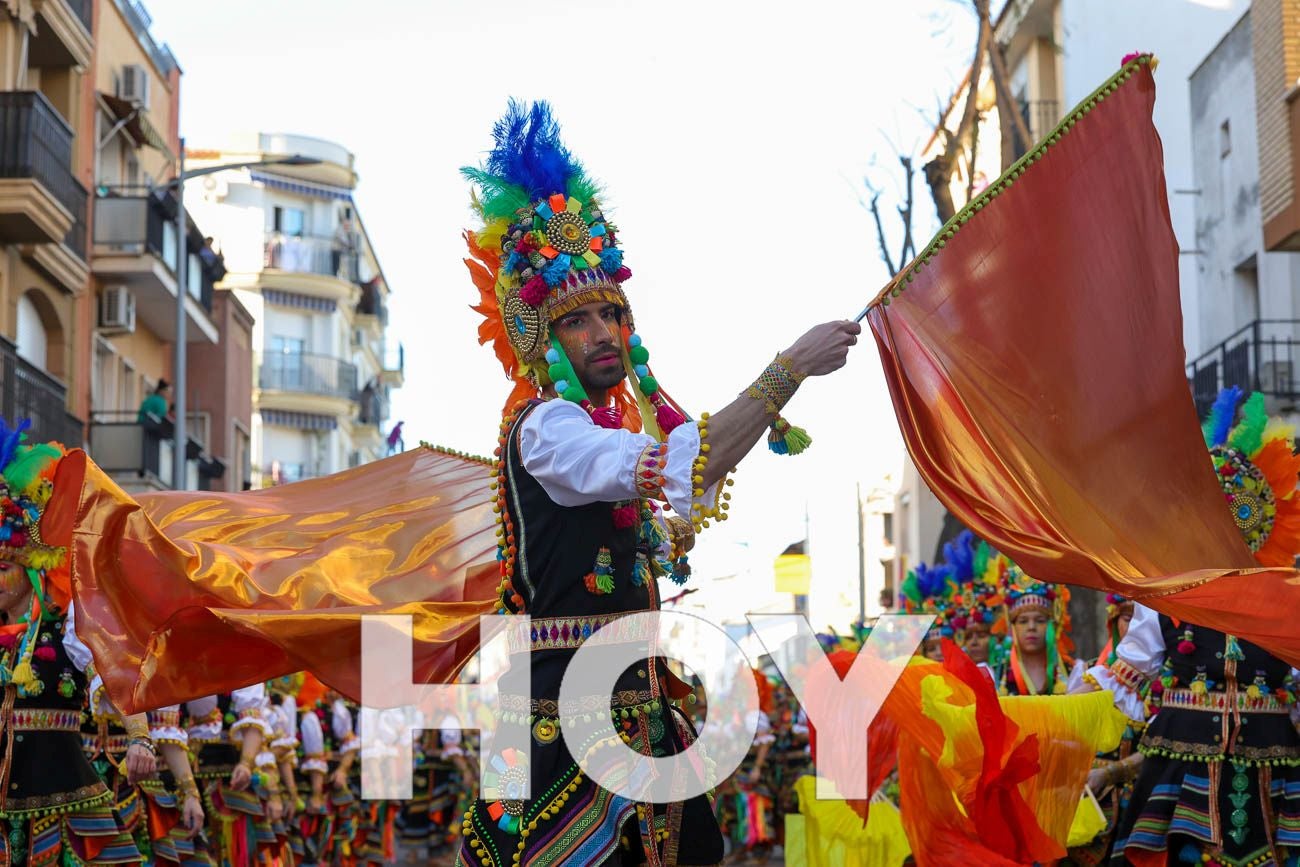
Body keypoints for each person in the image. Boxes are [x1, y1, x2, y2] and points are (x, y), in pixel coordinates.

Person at [453, 100, 859, 867]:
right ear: (541, 334)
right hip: (549, 714)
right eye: (579, 320)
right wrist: (789, 370)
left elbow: (673, 481)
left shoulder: (605, 433)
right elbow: (684, 466)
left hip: (635, 706)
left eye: (613, 312)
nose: (605, 331)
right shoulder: (545, 426)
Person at [1081, 389, 1300, 866]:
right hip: (1180, 773)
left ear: (1254, 517)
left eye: (1232, 512)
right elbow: (1120, 681)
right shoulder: (1167, 596)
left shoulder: (1287, 597)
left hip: (1273, 769)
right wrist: (1050, 724)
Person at [0, 425, 146, 865]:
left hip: (62, 809)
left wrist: (140, 739)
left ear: (32, 571)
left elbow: (113, 676)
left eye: (4, 564)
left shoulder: (68, 627)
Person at [996, 566, 1084, 696]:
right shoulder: (996, 676)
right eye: (1023, 621)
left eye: (1040, 620)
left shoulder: (1073, 672)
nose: (1031, 627)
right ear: (1012, 627)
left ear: (1051, 625)